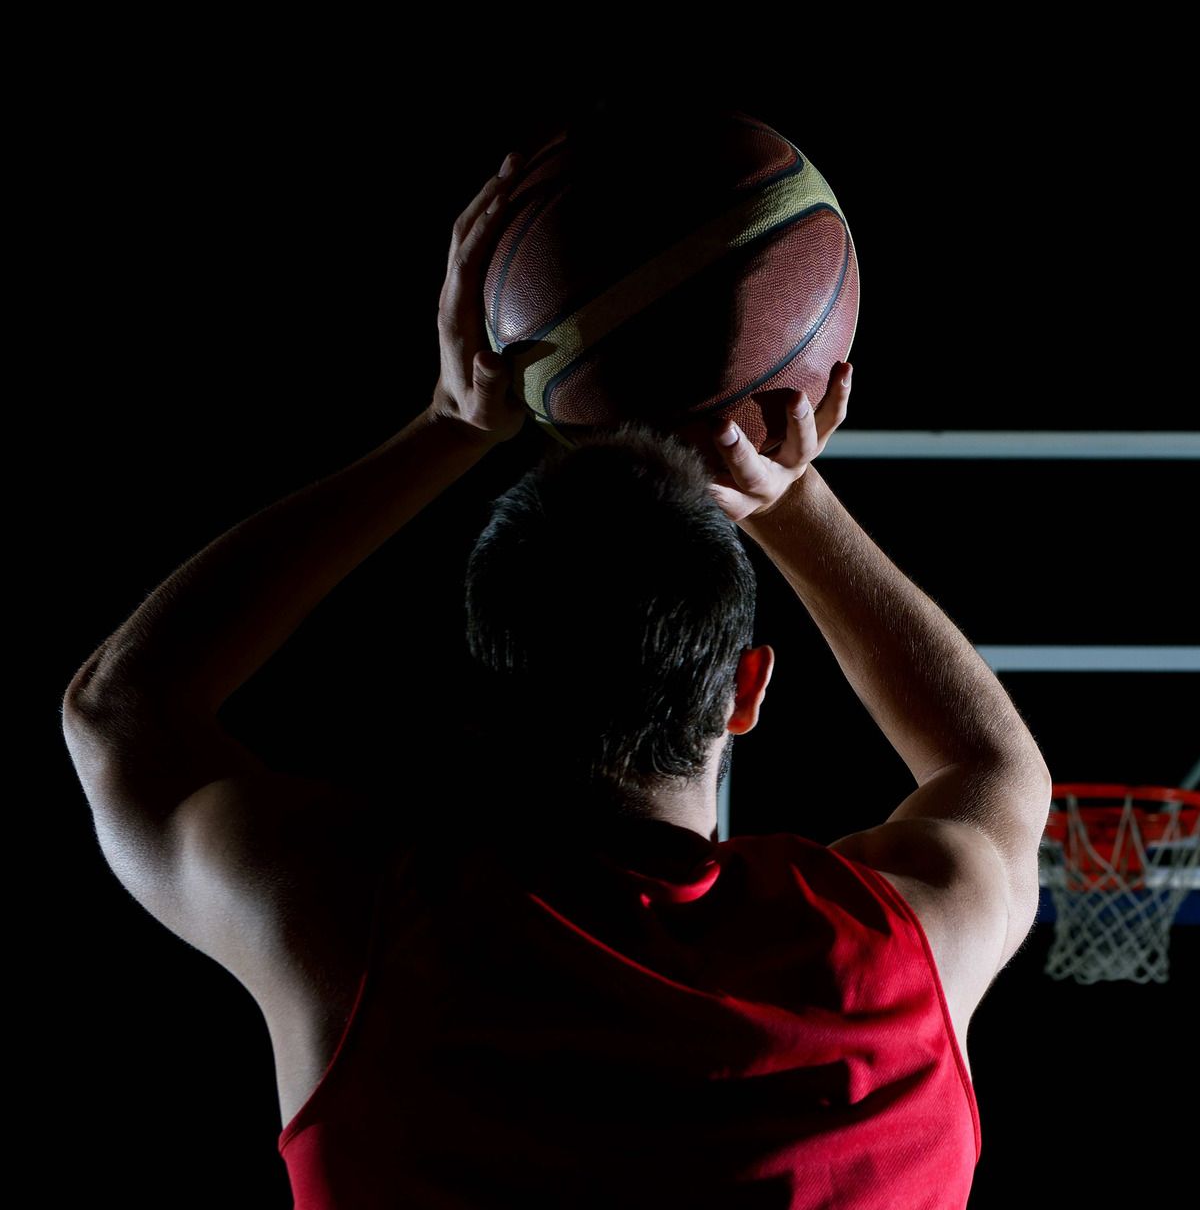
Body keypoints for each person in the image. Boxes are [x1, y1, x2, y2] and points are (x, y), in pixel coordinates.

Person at [60, 151, 1052, 1208]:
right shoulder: (894, 966)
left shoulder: (356, 934)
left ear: (486, 690)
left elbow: (121, 711)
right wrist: (789, 492)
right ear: (748, 689)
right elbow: (997, 769)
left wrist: (443, 427)